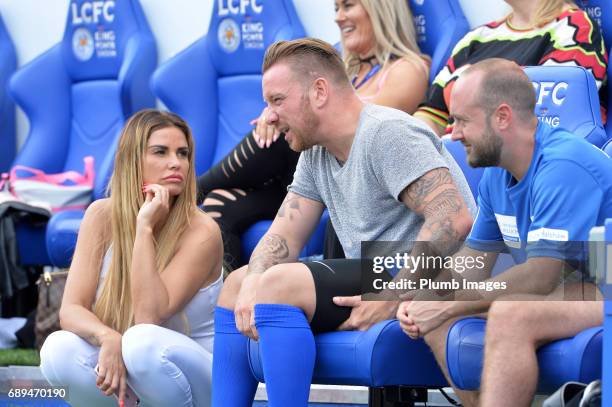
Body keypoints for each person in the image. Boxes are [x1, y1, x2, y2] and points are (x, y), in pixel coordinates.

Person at [211, 38, 475, 407]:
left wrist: (391, 295)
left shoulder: (387, 132)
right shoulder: (315, 150)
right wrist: (253, 278)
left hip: (443, 275)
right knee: (237, 285)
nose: (267, 116)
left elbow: (454, 218)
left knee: (278, 285)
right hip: (374, 268)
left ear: (319, 91)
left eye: (277, 100)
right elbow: (284, 235)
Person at [398, 58, 612, 407]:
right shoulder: (497, 170)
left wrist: (448, 304)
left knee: (509, 313)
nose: (453, 133)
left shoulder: (562, 166)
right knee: (435, 308)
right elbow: (472, 263)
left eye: (463, 120)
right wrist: (428, 296)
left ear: (502, 117)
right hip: (575, 287)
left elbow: (541, 277)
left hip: (606, 289)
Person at [198, 0, 430, 268]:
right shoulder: (344, 69)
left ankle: (193, 190)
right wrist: (280, 108)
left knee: (295, 122)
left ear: (381, 9)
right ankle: (220, 296)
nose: (339, 18)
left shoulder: (406, 70)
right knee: (217, 206)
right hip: (300, 177)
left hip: (340, 178)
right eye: (336, 9)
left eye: (348, 6)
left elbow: (357, 123)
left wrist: (289, 110)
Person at [39, 110, 224, 407]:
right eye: (160, 152)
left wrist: (144, 228)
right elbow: (71, 310)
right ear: (132, 160)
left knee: (141, 343)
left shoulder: (202, 230)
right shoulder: (100, 216)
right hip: (136, 370)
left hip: (199, 378)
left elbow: (149, 317)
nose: (176, 163)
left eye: (183, 153)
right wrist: (107, 336)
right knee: (56, 349)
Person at [415, 0, 608, 136]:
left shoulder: (574, 28)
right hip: (453, 163)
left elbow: (548, 120)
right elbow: (431, 115)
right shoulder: (477, 37)